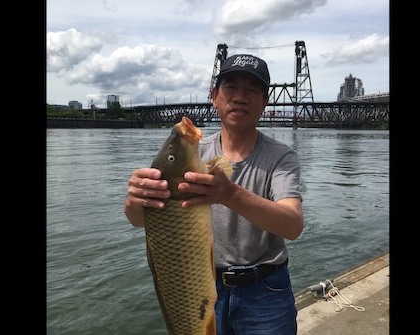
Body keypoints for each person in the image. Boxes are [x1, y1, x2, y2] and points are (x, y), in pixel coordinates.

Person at [124, 53, 304, 334]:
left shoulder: (281, 157)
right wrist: (136, 200)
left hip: (265, 290)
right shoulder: (193, 154)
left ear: (265, 102)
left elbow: (292, 225)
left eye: (252, 90)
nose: (240, 97)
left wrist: (229, 193)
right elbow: (137, 219)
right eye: (230, 87)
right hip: (196, 283)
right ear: (215, 96)